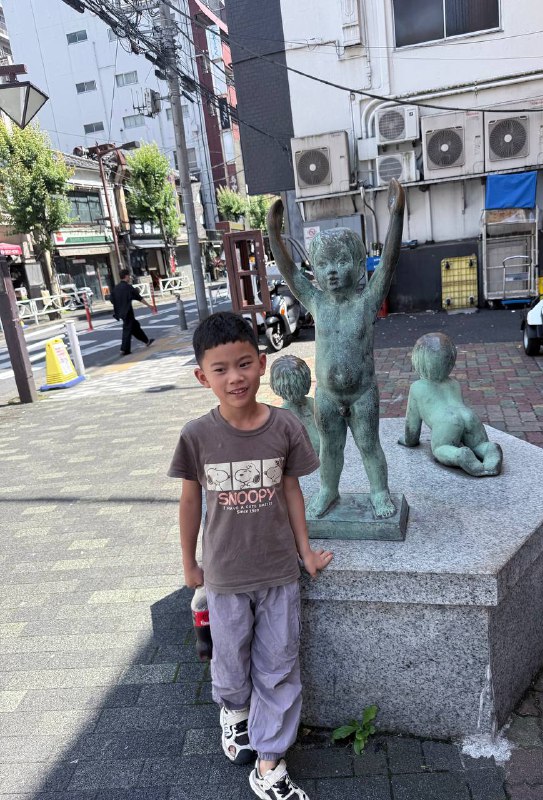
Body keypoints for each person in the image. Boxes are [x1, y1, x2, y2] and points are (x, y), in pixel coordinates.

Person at [168, 311, 333, 800]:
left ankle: (268, 762)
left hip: (278, 572)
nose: (234, 377)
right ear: (202, 377)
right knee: (231, 660)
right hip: (224, 576)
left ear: (262, 364)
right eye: (220, 369)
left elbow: (293, 491)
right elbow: (190, 502)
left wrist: (305, 552)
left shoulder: (284, 426)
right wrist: (189, 564)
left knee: (279, 664)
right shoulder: (197, 436)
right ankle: (235, 711)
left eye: (243, 364)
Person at [266, 179, 405, 519]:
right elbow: (289, 272)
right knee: (330, 448)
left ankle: (379, 491)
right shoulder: (316, 301)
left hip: (362, 393)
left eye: (342, 262)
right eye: (323, 264)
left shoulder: (366, 302)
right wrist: (273, 233)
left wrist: (396, 215)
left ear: (358, 266)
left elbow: (388, 264)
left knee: (369, 445)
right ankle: (328, 489)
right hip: (327, 395)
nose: (332, 271)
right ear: (314, 269)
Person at [398, 332, 503, 476]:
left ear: (418, 361)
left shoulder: (417, 388)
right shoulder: (454, 384)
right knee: (478, 444)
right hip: (468, 416)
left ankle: (459, 455)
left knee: (440, 448)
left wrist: (408, 441)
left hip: (446, 421)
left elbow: (412, 428)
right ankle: (490, 450)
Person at [109, 268, 156, 356]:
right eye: (129, 276)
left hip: (120, 312)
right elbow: (139, 297)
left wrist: (120, 304)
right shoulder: (128, 287)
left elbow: (111, 300)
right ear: (126, 276)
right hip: (128, 312)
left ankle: (146, 341)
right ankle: (124, 349)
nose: (130, 277)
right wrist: (149, 305)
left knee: (135, 327)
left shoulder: (116, 288)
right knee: (127, 329)